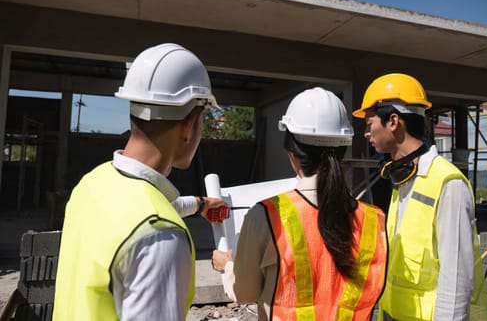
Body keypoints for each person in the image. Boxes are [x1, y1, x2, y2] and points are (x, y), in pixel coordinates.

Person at [53, 43, 227, 320]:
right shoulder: (161, 237)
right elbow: (151, 220)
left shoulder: (93, 182)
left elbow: (139, 213)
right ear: (190, 124)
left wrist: (200, 204)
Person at [212, 87, 387, 321]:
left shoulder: (267, 214)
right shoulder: (375, 220)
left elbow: (245, 292)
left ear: (291, 153)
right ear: (343, 149)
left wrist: (228, 266)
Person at [352, 73, 487, 321]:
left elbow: (456, 280)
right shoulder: (402, 180)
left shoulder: (448, 183)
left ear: (393, 121)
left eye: (369, 124)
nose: (366, 133)